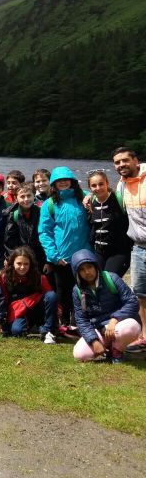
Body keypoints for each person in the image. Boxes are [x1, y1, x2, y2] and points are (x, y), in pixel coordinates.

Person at [38, 166, 91, 332]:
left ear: (72, 181)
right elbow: (44, 232)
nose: (63, 183)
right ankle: (63, 321)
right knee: (63, 290)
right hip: (61, 257)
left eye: (66, 180)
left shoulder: (84, 198)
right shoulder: (49, 204)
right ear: (54, 183)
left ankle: (79, 321)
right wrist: (53, 256)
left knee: (83, 289)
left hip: (83, 255)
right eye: (59, 181)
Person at [71, 248, 141, 363]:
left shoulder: (112, 278)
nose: (87, 272)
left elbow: (132, 301)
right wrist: (93, 341)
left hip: (118, 325)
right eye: (82, 270)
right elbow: (81, 319)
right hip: (99, 328)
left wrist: (115, 319)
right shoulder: (77, 290)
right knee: (80, 354)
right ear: (77, 273)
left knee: (130, 327)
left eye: (89, 267)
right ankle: (108, 347)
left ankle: (117, 351)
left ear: (95, 266)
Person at [112, 147, 146, 353]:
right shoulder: (121, 185)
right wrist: (89, 197)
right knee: (141, 295)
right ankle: (144, 337)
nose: (121, 165)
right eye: (117, 162)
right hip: (139, 248)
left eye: (125, 160)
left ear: (135, 160)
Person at [0, 246, 57, 343]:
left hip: (37, 310)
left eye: (26, 264)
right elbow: (1, 300)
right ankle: (28, 327)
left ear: (30, 264)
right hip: (18, 312)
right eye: (19, 263)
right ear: (12, 263)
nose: (22, 267)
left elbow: (51, 297)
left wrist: (58, 312)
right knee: (17, 332)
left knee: (51, 296)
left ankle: (48, 331)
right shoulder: (4, 277)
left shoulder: (40, 278)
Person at [86, 170, 131, 277]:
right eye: (94, 185)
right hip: (99, 252)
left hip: (118, 252)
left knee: (110, 280)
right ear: (90, 188)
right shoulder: (91, 202)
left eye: (101, 184)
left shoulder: (119, 199)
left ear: (107, 183)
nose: (98, 188)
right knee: (96, 279)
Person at [4, 182, 47, 270]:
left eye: (29, 196)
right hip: (21, 259)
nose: (26, 199)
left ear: (34, 196)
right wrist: (10, 258)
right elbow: (9, 241)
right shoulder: (13, 215)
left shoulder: (42, 213)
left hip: (40, 259)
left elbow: (47, 237)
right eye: (22, 196)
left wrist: (48, 261)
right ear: (16, 198)